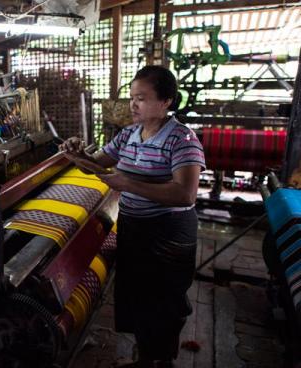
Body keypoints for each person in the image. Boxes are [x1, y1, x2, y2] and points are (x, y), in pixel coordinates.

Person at [60, 65, 205, 368]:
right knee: (138, 295)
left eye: (141, 98)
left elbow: (185, 194)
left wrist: (128, 184)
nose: (132, 105)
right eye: (131, 97)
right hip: (135, 226)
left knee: (164, 300)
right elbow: (98, 164)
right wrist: (76, 156)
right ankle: (145, 360)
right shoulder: (129, 134)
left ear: (166, 101)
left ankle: (161, 362)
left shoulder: (182, 139)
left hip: (168, 233)